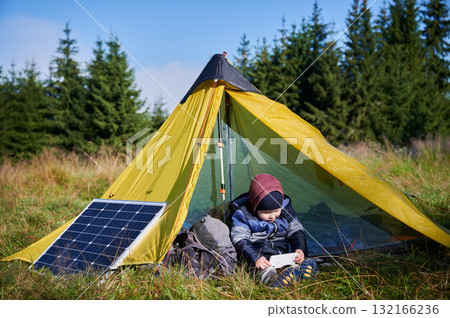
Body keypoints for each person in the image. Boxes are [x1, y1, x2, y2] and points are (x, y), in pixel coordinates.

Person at [229, 173, 317, 287]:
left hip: (281, 256)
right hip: (259, 258)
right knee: (263, 271)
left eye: (276, 211)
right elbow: (239, 239)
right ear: (255, 208)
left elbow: (296, 230)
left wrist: (300, 249)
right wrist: (255, 257)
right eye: (266, 213)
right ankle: (274, 281)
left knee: (293, 263)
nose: (272, 216)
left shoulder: (285, 209)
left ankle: (297, 273)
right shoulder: (243, 214)